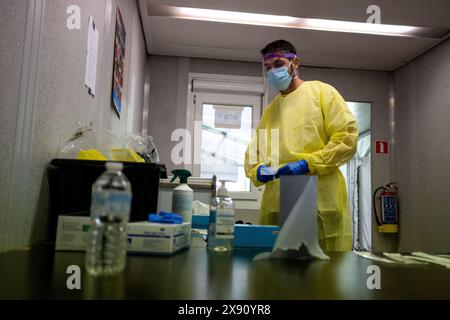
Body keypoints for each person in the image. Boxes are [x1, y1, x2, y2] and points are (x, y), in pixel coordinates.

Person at [244, 39, 358, 251]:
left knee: (323, 275)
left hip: (318, 200)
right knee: (280, 275)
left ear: (294, 62)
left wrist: (307, 164)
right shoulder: (270, 111)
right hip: (277, 203)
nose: (272, 72)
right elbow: (255, 153)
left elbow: (346, 139)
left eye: (278, 64)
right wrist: (257, 169)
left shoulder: (322, 93)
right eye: (267, 67)